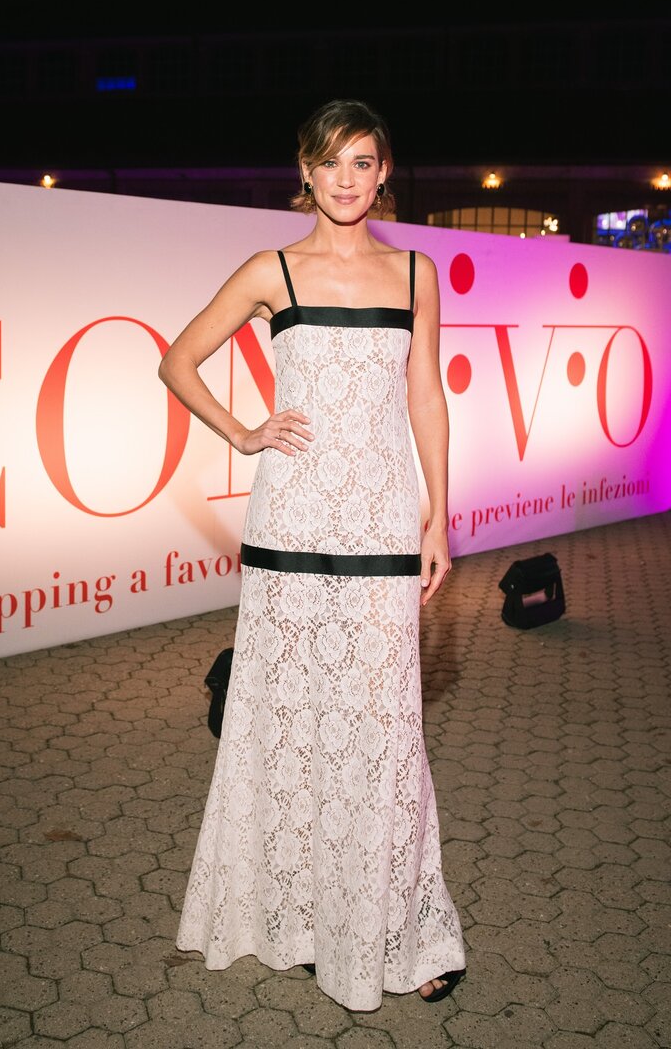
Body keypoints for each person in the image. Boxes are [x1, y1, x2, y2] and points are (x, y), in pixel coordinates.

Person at [159, 98, 466, 1011]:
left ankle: (400, 928)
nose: (346, 179)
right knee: (290, 717)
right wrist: (243, 432)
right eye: (331, 162)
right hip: (290, 523)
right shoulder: (272, 269)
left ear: (385, 172)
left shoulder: (416, 272)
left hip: (380, 523)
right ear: (305, 169)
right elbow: (178, 360)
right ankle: (296, 918)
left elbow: (425, 398)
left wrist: (439, 519)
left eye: (363, 162)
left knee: (384, 727)